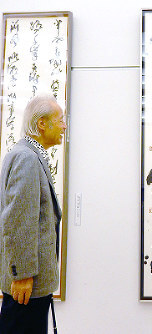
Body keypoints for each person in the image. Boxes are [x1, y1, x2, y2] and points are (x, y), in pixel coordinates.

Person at [0, 94, 67, 333]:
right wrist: (22, 275)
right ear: (42, 124)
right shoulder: (26, 158)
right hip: (27, 286)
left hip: (31, 283)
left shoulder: (28, 155)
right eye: (60, 120)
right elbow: (18, 221)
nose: (64, 126)